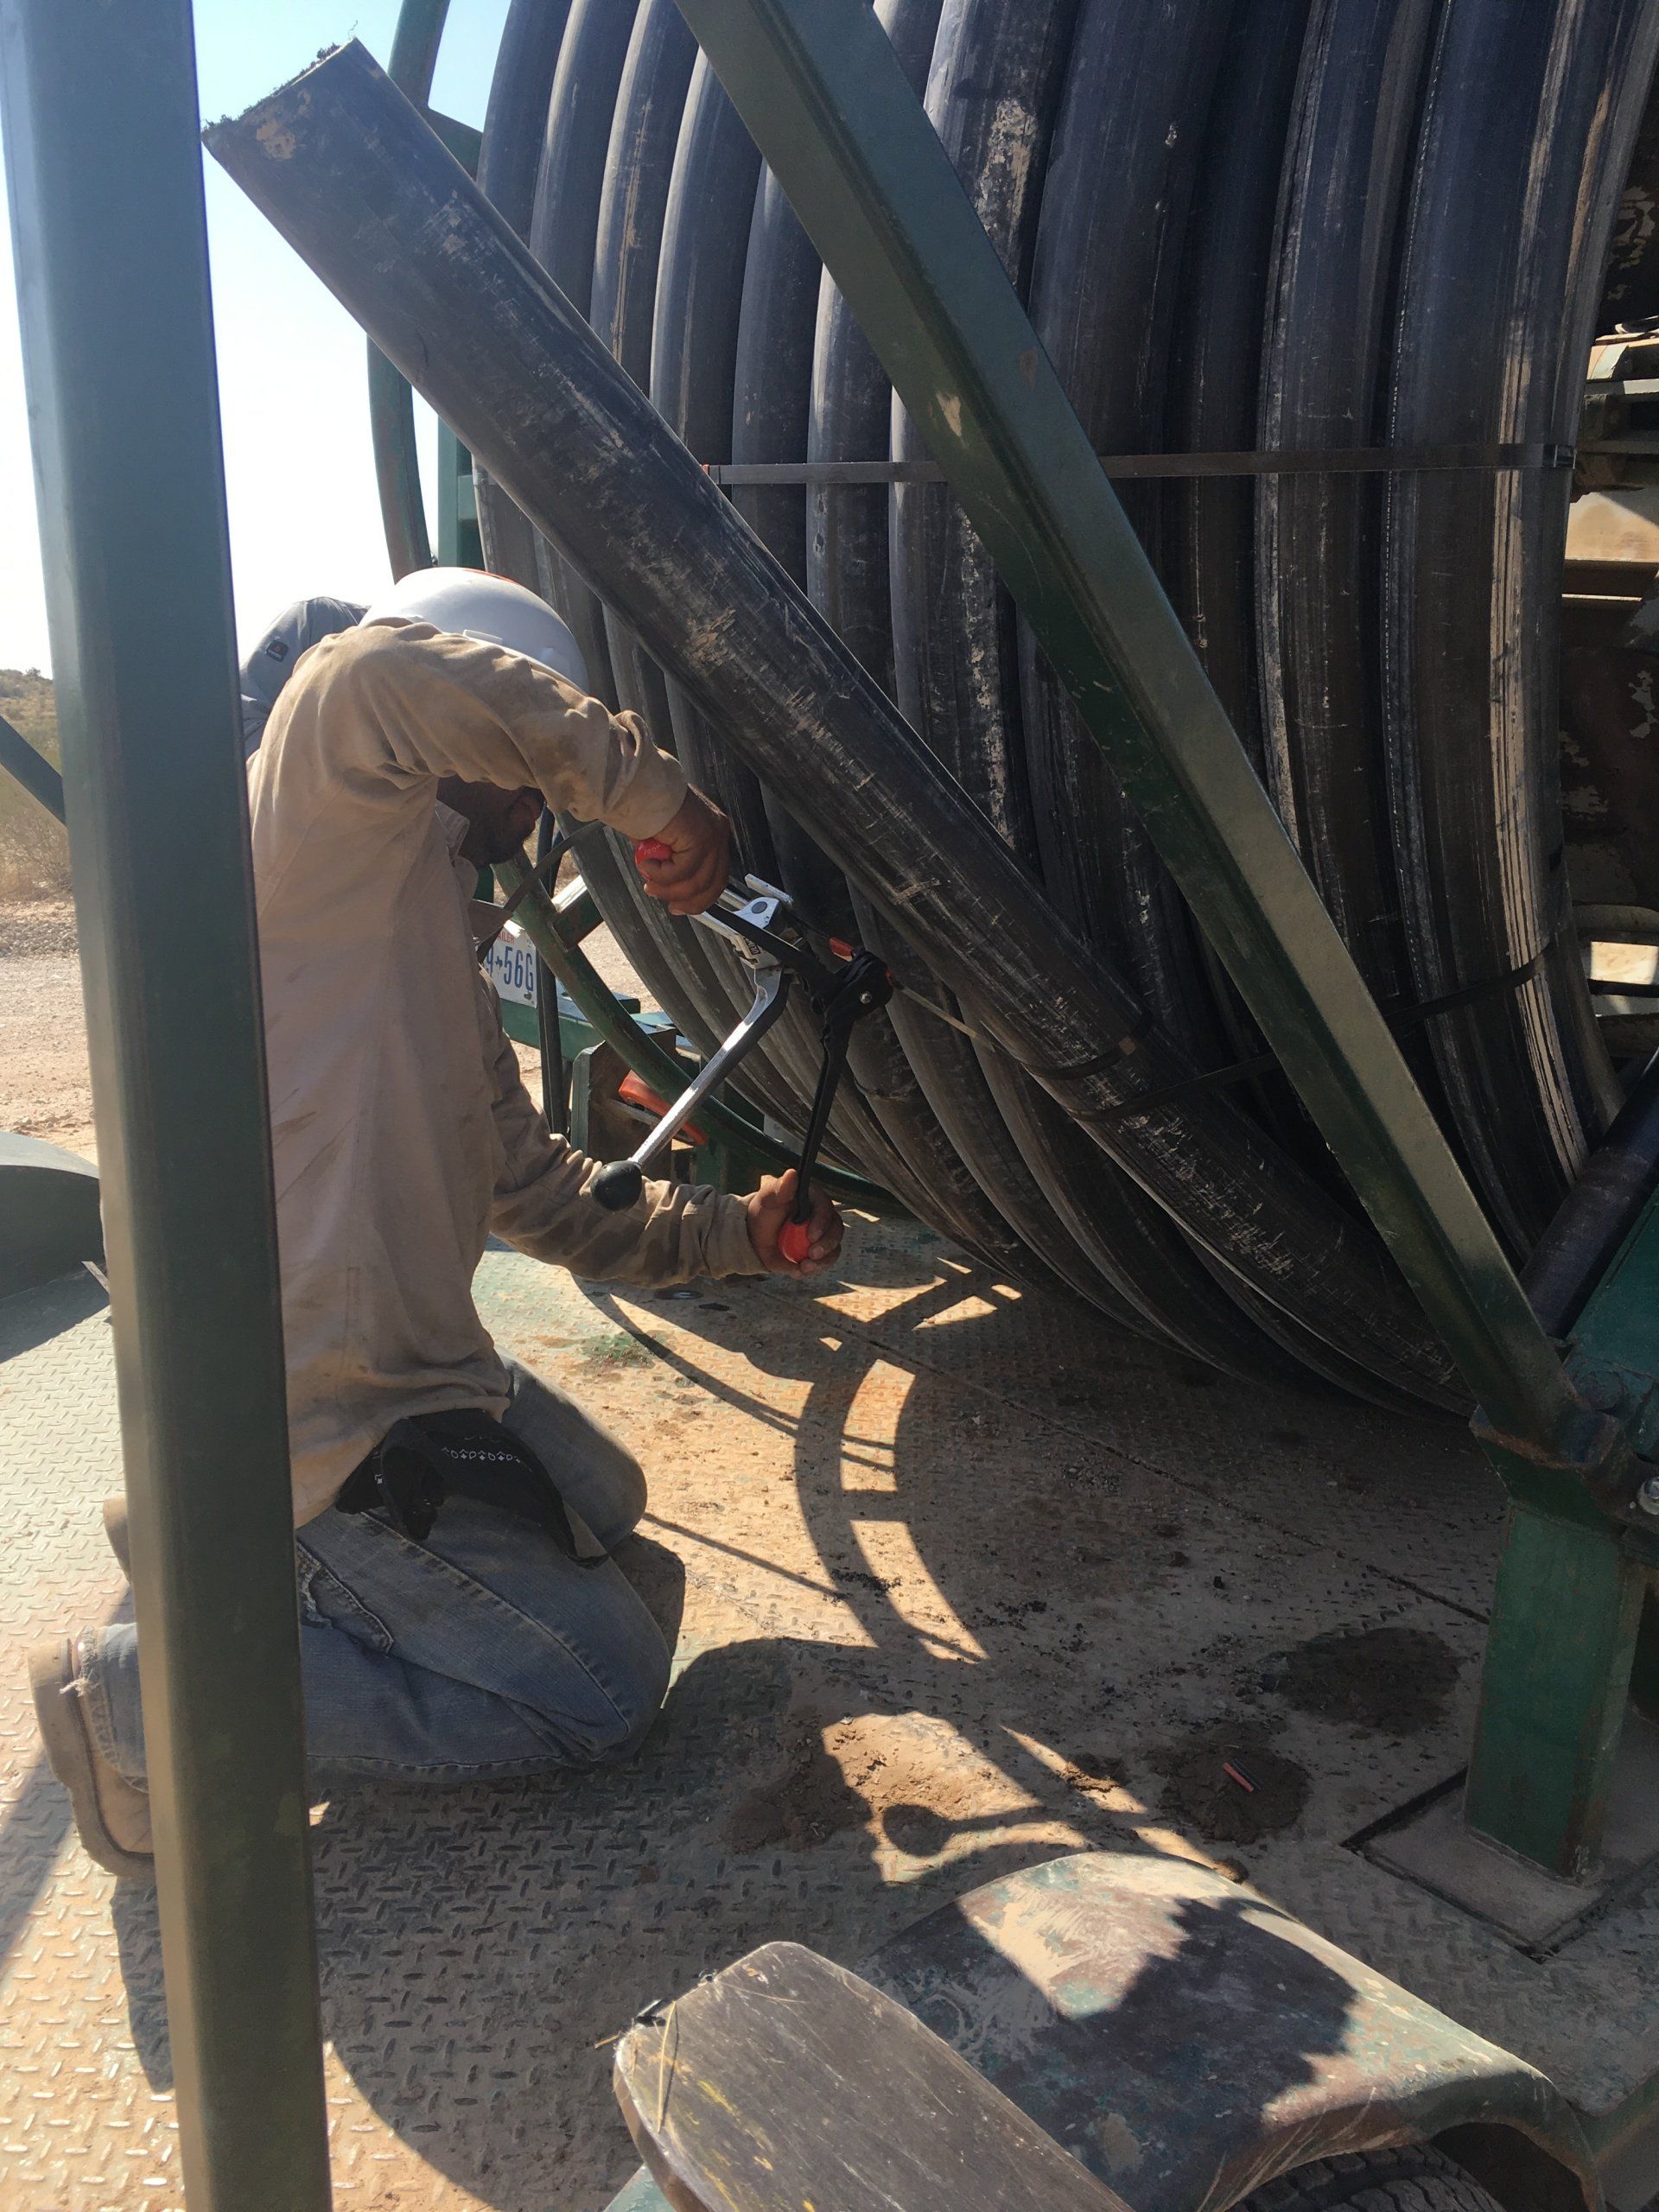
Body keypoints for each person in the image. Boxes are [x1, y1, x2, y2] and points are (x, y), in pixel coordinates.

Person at [30, 568, 842, 1879]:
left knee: (611, 1509)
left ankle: (244, 1597)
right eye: (526, 783)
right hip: (303, 1417)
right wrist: (653, 790)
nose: (531, 816)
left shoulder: (417, 935)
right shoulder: (305, 825)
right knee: (603, 1688)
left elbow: (536, 1190)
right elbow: (372, 679)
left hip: (395, 1376)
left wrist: (736, 1231)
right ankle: (130, 1701)